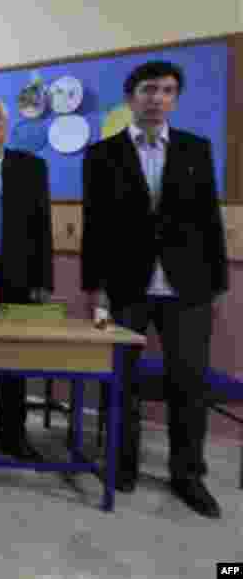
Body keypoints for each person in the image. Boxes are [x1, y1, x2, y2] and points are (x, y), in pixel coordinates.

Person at [81, 60, 227, 519]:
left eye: (167, 91)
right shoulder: (102, 154)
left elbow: (208, 220)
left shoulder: (195, 149)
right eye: (148, 90)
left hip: (187, 286)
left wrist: (216, 280)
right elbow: (96, 227)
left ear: (174, 99)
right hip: (127, 286)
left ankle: (188, 475)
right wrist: (95, 287)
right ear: (131, 98)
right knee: (121, 380)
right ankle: (121, 464)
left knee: (189, 382)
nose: (157, 98)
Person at [0, 97, 53, 461]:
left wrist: (43, 280)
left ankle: (13, 436)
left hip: (18, 278)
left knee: (13, 362)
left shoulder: (31, 167)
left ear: (7, 122)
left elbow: (41, 228)